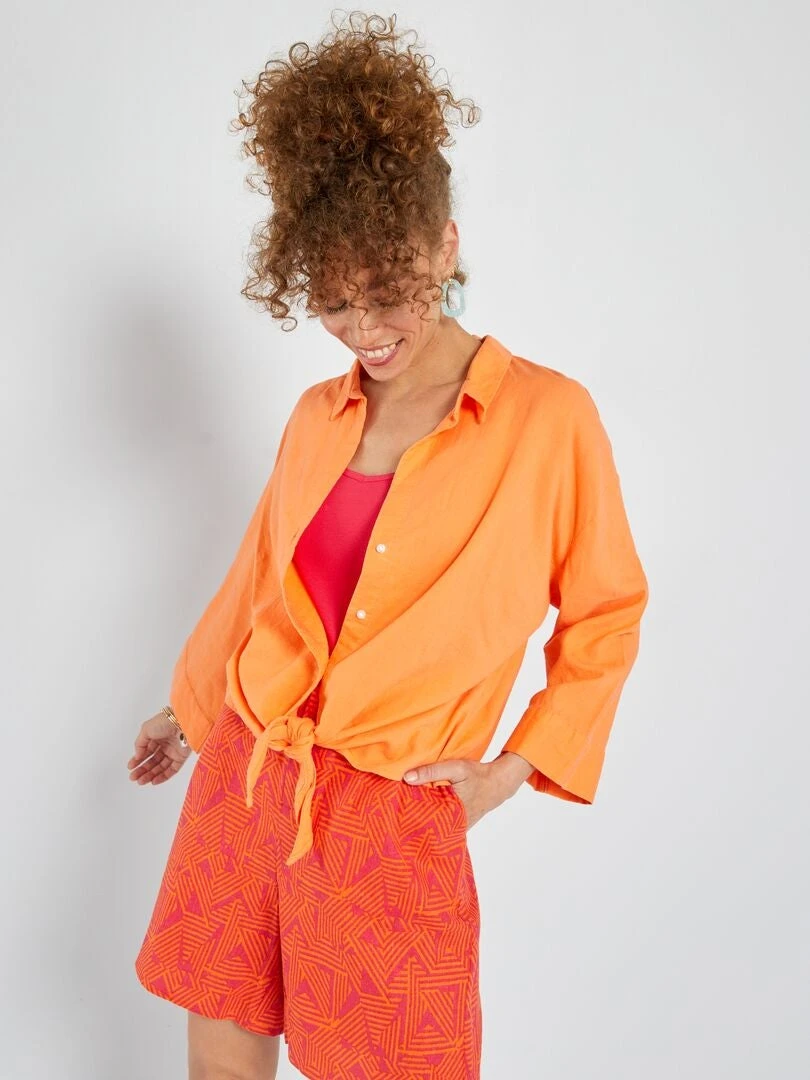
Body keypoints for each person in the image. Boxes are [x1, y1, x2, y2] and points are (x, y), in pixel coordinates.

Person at [128, 11, 649, 1080]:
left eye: (386, 290)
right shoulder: (316, 418)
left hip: (392, 816)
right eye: (332, 301)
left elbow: (607, 614)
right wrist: (188, 714)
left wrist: (509, 772)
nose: (364, 328)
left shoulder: (547, 420)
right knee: (218, 1067)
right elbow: (260, 582)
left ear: (446, 246)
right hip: (247, 780)